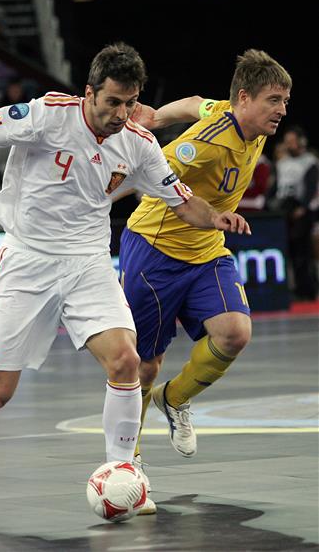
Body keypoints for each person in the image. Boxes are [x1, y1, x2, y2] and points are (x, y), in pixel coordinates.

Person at [0, 43, 249, 509]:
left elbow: (184, 202)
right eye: (112, 102)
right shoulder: (46, 115)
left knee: (126, 359)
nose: (121, 114)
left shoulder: (139, 144)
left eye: (129, 103)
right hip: (27, 261)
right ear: (89, 93)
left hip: (88, 263)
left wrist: (216, 217)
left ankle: (123, 470)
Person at [120, 49, 292, 513]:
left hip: (205, 250)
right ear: (244, 97)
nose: (282, 110)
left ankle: (174, 401)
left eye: (285, 101)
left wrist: (155, 115)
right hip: (154, 249)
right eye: (274, 100)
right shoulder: (207, 143)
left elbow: (197, 101)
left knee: (235, 332)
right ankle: (127, 463)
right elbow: (146, 173)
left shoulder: (240, 119)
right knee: (145, 364)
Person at [272, 126, 319, 300]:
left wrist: (303, 208)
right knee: (288, 252)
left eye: (292, 141)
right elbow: (275, 186)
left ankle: (308, 289)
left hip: (301, 211)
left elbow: (311, 187)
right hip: (284, 210)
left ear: (301, 141)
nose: (289, 145)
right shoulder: (282, 162)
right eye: (287, 142)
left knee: (303, 253)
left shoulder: (309, 162)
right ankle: (293, 288)